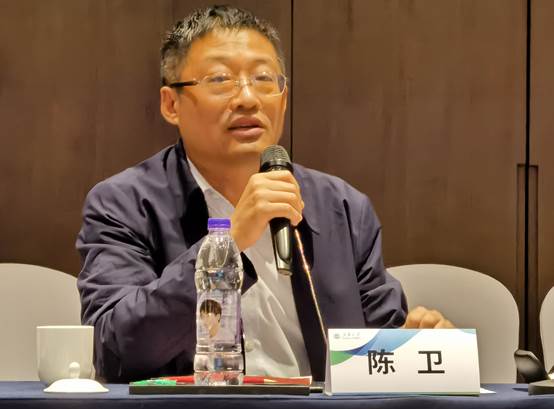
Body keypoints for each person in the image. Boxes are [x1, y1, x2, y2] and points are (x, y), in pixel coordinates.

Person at [77, 5, 452, 383]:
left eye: (263, 79)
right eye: (220, 79)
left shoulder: (342, 207)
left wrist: (415, 344)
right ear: (171, 104)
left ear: (283, 100)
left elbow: (379, 352)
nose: (247, 98)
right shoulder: (124, 204)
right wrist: (227, 244)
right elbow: (114, 350)